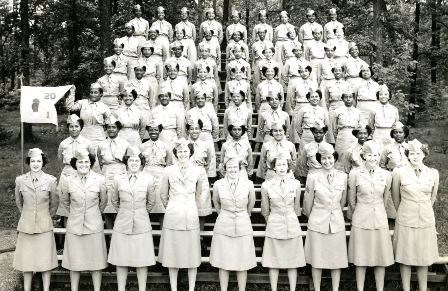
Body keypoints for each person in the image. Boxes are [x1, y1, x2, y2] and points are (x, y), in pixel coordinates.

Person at [158, 139, 208, 291]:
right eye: (180, 151)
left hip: (191, 215)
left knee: (192, 253)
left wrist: (193, 206)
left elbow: (200, 193)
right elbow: (163, 194)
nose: (183, 154)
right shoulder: (168, 170)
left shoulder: (198, 170)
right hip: (173, 214)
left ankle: (191, 288)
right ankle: (174, 287)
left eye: (186, 151)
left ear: (190, 153)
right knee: (172, 253)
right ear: (176, 154)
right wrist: (174, 206)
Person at [392, 139, 439, 291]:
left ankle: (423, 288)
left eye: (418, 153)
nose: (415, 156)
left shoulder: (433, 173)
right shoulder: (399, 172)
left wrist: (422, 209)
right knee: (405, 255)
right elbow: (395, 197)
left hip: (425, 218)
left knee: (423, 256)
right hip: (406, 217)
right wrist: (407, 209)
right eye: (411, 153)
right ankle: (406, 288)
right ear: (407, 155)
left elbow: (432, 197)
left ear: (424, 154)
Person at [347, 141, 394, 291]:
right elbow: (352, 200)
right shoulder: (355, 174)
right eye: (369, 155)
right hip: (361, 218)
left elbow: (385, 199)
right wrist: (361, 212)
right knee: (360, 256)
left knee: (380, 256)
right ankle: (360, 288)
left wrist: (378, 211)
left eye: (375, 155)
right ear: (363, 156)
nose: (372, 158)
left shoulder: (386, 175)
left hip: (379, 218)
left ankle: (380, 288)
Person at [108, 147, 156, 291]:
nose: (134, 163)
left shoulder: (148, 179)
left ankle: (142, 289)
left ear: (141, 162)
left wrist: (139, 213)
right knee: (121, 259)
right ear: (126, 162)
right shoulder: (118, 178)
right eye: (131, 160)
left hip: (142, 224)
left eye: (137, 160)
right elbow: (115, 201)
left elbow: (151, 202)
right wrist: (125, 212)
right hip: (123, 223)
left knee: (142, 260)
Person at [59, 148, 108, 291]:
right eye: (80, 162)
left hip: (94, 225)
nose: (84, 165)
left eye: (87, 162)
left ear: (91, 163)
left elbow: (103, 202)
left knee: (96, 262)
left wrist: (93, 214)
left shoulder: (100, 179)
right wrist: (76, 214)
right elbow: (65, 202)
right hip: (75, 225)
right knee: (75, 261)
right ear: (75, 163)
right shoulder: (68, 180)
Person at [303, 144, 348, 291]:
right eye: (323, 158)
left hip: (336, 222)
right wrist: (316, 217)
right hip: (318, 222)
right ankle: (317, 288)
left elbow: (342, 202)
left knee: (337, 258)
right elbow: (308, 203)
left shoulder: (343, 176)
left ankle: (335, 288)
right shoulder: (313, 177)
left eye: (330, 158)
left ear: (334, 159)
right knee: (317, 258)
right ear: (319, 160)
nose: (327, 161)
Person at [14, 148, 58, 291]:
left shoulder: (51, 180)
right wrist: (28, 215)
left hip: (44, 226)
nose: (36, 164)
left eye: (39, 161)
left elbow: (54, 204)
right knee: (26, 262)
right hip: (26, 227)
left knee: (45, 262)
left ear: (43, 162)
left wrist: (44, 217)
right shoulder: (20, 180)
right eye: (33, 161)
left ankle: (46, 289)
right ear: (29, 162)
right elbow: (19, 203)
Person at [210, 157, 256, 291]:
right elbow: (217, 203)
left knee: (243, 260)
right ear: (224, 169)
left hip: (243, 224)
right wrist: (225, 215)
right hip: (224, 225)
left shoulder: (248, 184)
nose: (232, 169)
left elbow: (251, 204)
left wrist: (242, 215)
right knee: (223, 259)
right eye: (229, 167)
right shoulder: (218, 184)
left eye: (235, 167)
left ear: (240, 168)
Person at [261, 154, 305, 291]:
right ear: (273, 167)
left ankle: (292, 289)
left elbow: (297, 208)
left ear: (288, 167)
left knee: (293, 260)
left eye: (284, 164)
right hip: (274, 224)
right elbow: (265, 210)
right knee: (273, 260)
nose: (281, 167)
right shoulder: (266, 185)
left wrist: (290, 219)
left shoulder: (296, 184)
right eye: (278, 164)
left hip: (292, 224)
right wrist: (273, 221)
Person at [57, 115, 95, 219]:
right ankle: (65, 226)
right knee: (65, 200)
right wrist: (65, 172)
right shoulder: (63, 144)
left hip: (82, 172)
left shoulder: (87, 143)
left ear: (81, 128)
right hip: (67, 172)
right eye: (71, 126)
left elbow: (92, 159)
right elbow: (60, 160)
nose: (74, 129)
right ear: (68, 128)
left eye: (76, 126)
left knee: (80, 199)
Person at [97, 116, 129, 229]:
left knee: (118, 200)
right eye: (109, 127)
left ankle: (120, 231)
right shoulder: (101, 145)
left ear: (118, 129)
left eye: (114, 127)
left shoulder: (125, 144)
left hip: (120, 171)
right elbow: (100, 161)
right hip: (106, 172)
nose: (111, 129)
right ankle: (109, 233)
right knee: (107, 201)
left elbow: (128, 161)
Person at [140, 120, 173, 224]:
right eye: (150, 130)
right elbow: (140, 164)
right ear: (148, 132)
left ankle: (163, 230)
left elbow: (169, 163)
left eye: (155, 130)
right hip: (147, 172)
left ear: (160, 131)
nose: (153, 132)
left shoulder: (166, 146)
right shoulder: (142, 146)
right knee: (147, 200)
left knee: (160, 202)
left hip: (160, 173)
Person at [65, 84, 111, 149]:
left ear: (101, 94)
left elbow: (109, 123)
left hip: (98, 135)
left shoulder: (104, 107)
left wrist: (107, 137)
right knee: (83, 155)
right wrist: (72, 92)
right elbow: (70, 108)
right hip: (84, 133)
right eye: (91, 92)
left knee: (97, 155)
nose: (93, 94)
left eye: (95, 92)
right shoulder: (83, 103)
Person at [332, 89, 361, 155]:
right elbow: (334, 128)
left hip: (354, 136)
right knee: (342, 155)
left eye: (350, 97)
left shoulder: (358, 111)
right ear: (342, 99)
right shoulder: (337, 111)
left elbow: (360, 126)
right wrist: (338, 137)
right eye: (346, 97)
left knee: (353, 155)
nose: (348, 99)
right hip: (342, 136)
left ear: (353, 98)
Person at [283, 45, 310, 114]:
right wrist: (288, 83)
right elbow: (284, 74)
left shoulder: (306, 62)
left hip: (303, 80)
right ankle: (291, 114)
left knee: (302, 96)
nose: (298, 52)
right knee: (291, 98)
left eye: (300, 50)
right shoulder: (289, 61)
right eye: (296, 50)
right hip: (293, 80)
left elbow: (309, 73)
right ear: (293, 52)